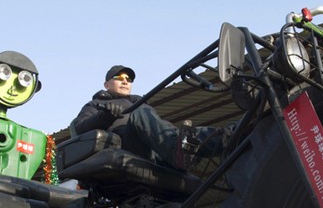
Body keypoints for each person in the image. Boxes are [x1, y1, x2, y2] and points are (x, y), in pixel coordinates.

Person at [69, 65, 223, 170]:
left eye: (129, 79)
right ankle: (178, 149)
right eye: (119, 77)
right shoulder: (96, 104)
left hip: (153, 148)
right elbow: (79, 128)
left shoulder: (142, 103)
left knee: (183, 133)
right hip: (126, 144)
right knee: (141, 113)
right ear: (107, 84)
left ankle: (226, 137)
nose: (125, 81)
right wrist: (104, 117)